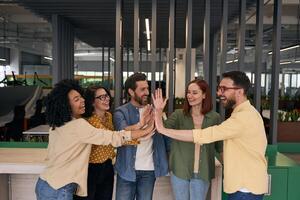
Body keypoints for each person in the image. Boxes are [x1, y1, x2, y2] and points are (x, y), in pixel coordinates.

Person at [153, 71, 268, 200]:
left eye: (224, 89)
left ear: (240, 91)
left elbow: (208, 137)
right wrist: (158, 115)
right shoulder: (241, 114)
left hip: (245, 187)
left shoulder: (242, 117)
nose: (219, 93)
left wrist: (163, 129)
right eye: (219, 89)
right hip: (241, 185)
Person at [35, 79, 154, 200]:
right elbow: (112, 137)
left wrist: (139, 126)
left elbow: (113, 134)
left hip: (49, 182)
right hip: (63, 185)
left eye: (81, 97)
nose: (83, 100)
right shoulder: (81, 124)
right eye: (76, 99)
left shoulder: (61, 123)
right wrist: (144, 131)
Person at [163, 79, 222, 200]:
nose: (190, 96)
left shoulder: (214, 118)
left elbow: (220, 146)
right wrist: (158, 111)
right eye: (188, 92)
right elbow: (163, 129)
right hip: (180, 170)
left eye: (194, 93)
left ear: (204, 95)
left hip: (203, 171)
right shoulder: (178, 115)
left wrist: (227, 169)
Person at [113, 72, 168, 200]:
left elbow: (166, 137)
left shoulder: (155, 111)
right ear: (131, 92)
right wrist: (143, 125)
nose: (147, 92)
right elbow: (122, 134)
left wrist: (159, 112)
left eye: (147, 88)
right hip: (126, 170)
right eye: (142, 89)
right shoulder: (121, 112)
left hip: (149, 171)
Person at [73, 85, 115, 200]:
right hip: (90, 169)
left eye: (106, 95)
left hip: (107, 166)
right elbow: (112, 137)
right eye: (101, 97)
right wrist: (139, 132)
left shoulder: (109, 116)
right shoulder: (87, 121)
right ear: (92, 102)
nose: (106, 99)